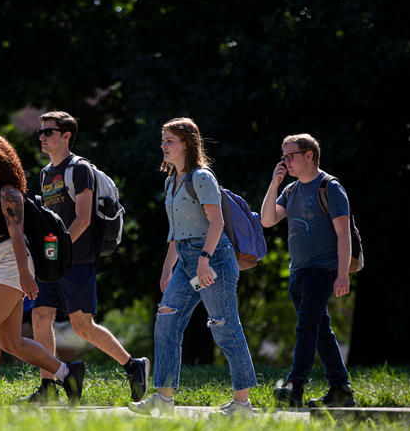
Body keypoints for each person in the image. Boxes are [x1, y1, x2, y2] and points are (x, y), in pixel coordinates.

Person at [129, 117, 258, 416]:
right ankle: (163, 400)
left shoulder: (201, 177)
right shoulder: (170, 181)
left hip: (213, 261)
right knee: (166, 322)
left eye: (169, 141)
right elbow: (176, 232)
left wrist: (203, 260)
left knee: (225, 327)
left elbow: (217, 221)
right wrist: (166, 269)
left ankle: (242, 403)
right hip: (187, 263)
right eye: (162, 140)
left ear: (186, 143)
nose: (163, 145)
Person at [21, 111, 149, 403]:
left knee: (82, 325)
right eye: (39, 132)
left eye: (48, 132)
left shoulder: (80, 170)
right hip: (51, 259)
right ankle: (48, 387)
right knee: (41, 316)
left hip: (76, 258)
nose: (41, 137)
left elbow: (83, 218)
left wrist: (60, 250)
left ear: (66, 136)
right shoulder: (45, 173)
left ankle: (133, 366)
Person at [0, 132, 84, 401]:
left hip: (10, 264)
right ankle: (67, 374)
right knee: (11, 342)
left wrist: (25, 275)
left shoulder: (8, 192)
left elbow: (16, 236)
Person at [260, 133, 355, 408]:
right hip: (298, 272)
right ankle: (341, 390)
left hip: (323, 270)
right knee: (319, 329)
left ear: (309, 155)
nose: (285, 161)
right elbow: (267, 220)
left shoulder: (330, 187)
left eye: (290, 156)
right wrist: (275, 182)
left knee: (306, 326)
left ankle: (296, 384)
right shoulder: (290, 191)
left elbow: (343, 233)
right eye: (284, 157)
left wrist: (342, 273)